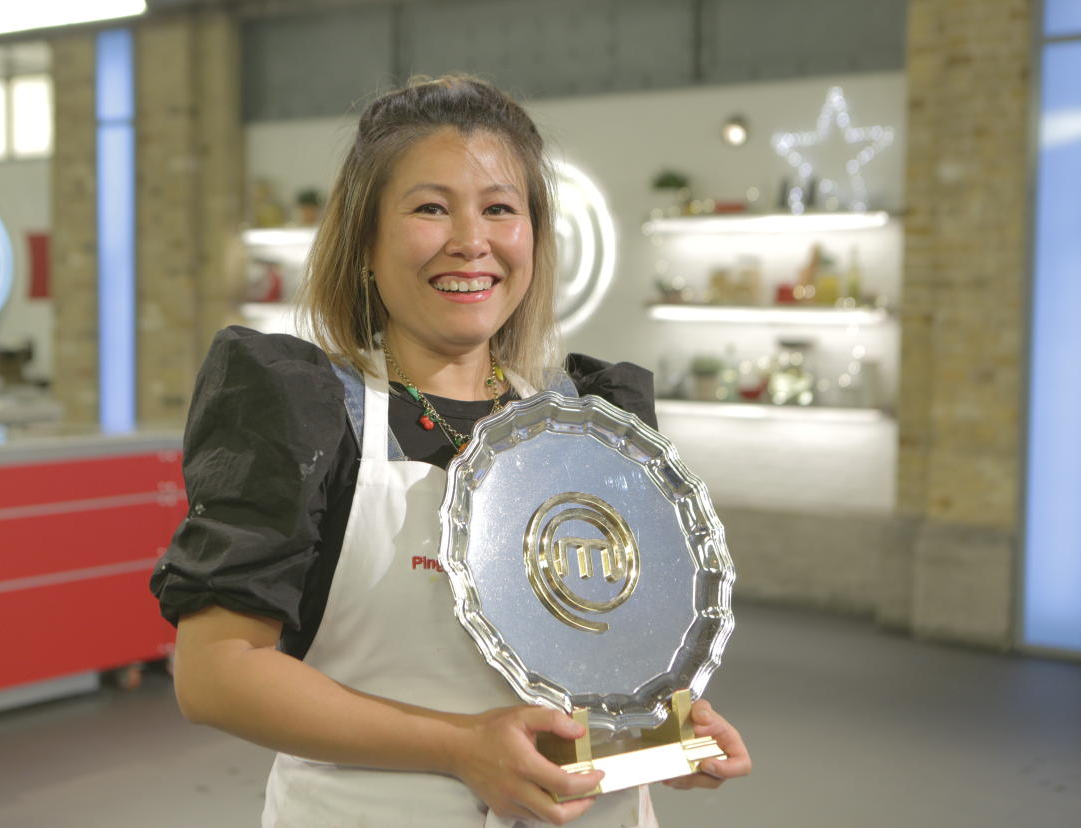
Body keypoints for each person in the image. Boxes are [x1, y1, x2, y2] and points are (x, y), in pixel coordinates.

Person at [151, 75, 750, 827]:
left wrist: (660, 732)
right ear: (365, 241)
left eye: (501, 209)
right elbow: (215, 675)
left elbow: (600, 666)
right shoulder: (304, 413)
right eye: (431, 208)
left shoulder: (589, 426)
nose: (472, 241)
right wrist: (461, 746)